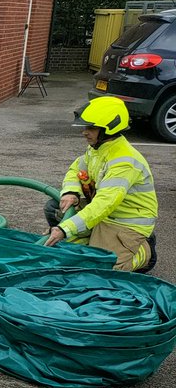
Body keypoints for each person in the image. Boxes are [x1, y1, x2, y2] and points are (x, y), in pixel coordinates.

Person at [43, 97, 157, 272]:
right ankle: (90, 239)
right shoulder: (97, 148)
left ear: (109, 129)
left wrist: (65, 229)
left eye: (91, 128)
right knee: (55, 207)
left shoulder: (124, 162)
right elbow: (76, 169)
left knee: (104, 269)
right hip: (103, 214)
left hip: (124, 222)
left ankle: (144, 250)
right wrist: (71, 192)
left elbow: (104, 204)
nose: (84, 132)